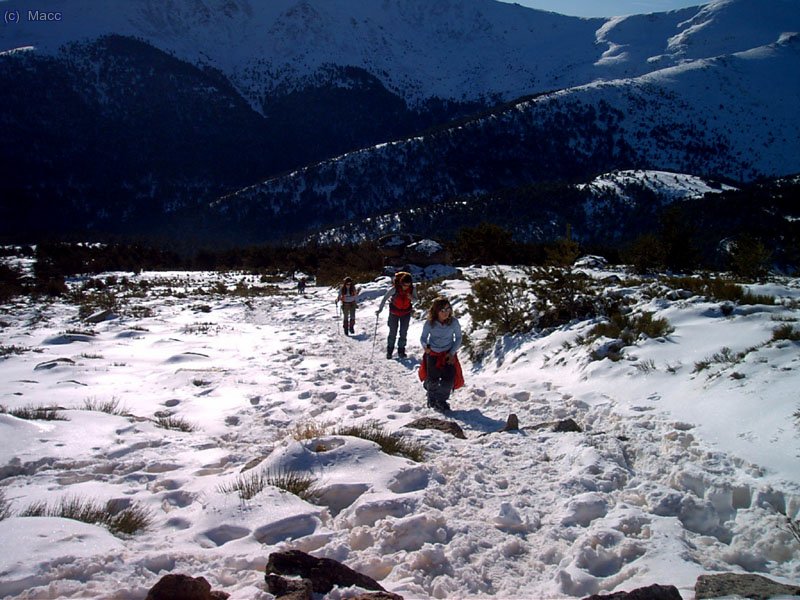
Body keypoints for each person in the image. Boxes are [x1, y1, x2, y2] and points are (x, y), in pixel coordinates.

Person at [419, 296, 463, 412]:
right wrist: (426, 347)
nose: (446, 313)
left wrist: (452, 353)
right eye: (442, 310)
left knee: (448, 379)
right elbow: (423, 338)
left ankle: (441, 400)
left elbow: (458, 338)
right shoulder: (430, 323)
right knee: (433, 379)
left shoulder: (454, 322)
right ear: (436, 311)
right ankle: (431, 397)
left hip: (448, 354)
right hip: (433, 353)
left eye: (448, 309)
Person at [376, 271, 417, 359]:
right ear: (401, 283)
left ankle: (401, 351)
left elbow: (416, 300)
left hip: (406, 313)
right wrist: (380, 309)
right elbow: (385, 298)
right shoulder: (395, 289)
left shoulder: (412, 289)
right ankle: (389, 351)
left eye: (408, 285)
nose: (406, 287)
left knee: (403, 332)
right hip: (394, 313)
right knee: (392, 332)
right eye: (405, 285)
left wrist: (412, 298)